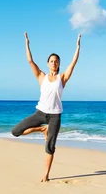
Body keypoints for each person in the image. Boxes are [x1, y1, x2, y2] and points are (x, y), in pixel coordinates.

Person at [11, 32, 81, 182]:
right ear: (47, 63)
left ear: (59, 64)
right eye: (51, 61)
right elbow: (30, 61)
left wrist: (77, 46)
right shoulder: (41, 77)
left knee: (50, 146)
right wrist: (27, 44)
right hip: (40, 113)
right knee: (16, 131)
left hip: (55, 115)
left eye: (56, 61)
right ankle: (42, 128)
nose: (54, 63)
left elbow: (73, 62)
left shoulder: (62, 78)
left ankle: (46, 175)